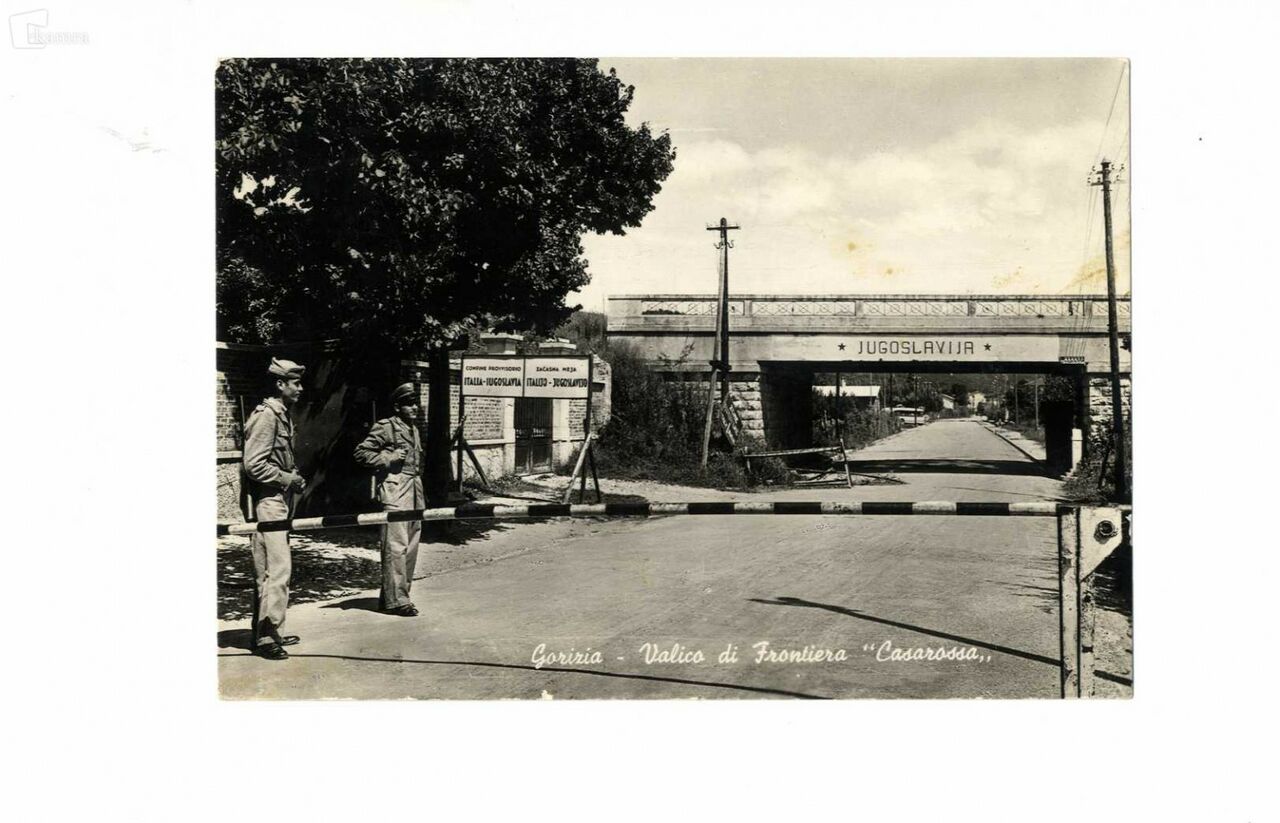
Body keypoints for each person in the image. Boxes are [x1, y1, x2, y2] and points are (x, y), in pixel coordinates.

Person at [241, 357, 308, 660]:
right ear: (280, 384)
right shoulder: (267, 416)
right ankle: (267, 638)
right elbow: (253, 464)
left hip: (279, 499)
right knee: (274, 570)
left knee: (277, 568)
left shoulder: (282, 414)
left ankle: (271, 631)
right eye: (296, 383)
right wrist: (286, 478)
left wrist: (292, 479)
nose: (300, 388)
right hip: (267, 501)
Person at [354, 383, 425, 617]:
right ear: (397, 406)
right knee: (396, 547)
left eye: (416, 403)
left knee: (411, 547)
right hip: (395, 491)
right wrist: (390, 456)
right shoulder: (386, 427)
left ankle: (394, 597)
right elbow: (361, 453)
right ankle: (398, 601)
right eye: (409, 404)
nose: (414, 407)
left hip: (414, 489)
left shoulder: (412, 427)